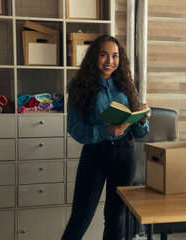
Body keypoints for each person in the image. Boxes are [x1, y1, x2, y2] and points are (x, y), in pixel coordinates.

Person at [62, 34, 150, 240]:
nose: (110, 61)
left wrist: (142, 119)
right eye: (104, 55)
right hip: (95, 155)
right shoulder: (79, 87)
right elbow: (74, 128)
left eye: (115, 56)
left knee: (115, 218)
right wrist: (104, 131)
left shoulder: (128, 87)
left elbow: (138, 132)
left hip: (125, 155)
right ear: (94, 57)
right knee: (80, 219)